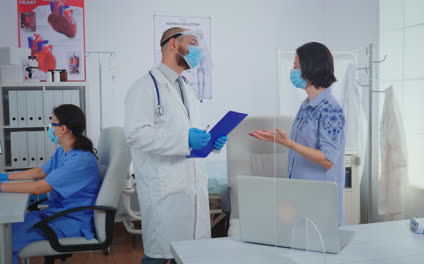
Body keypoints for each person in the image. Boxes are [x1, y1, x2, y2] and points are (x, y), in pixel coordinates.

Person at [124, 27, 228, 264]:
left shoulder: (187, 88)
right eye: (193, 43)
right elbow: (136, 135)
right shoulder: (144, 87)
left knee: (190, 255)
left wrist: (211, 142)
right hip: (165, 190)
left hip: (191, 186)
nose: (199, 51)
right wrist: (184, 140)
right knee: (159, 256)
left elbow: (190, 132)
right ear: (173, 44)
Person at [249, 42, 347, 225]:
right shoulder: (306, 106)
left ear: (311, 67)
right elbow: (303, 146)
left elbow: (328, 159)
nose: (292, 71)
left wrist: (290, 144)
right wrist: (280, 140)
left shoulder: (331, 110)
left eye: (295, 66)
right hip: (300, 194)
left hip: (321, 199)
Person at [0, 104, 101, 264]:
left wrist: (1, 187)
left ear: (63, 129)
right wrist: (4, 177)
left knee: (4, 241)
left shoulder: (81, 160)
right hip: (55, 215)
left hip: (70, 222)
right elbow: (40, 172)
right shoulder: (64, 151)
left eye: (52, 123)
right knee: (6, 230)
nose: (49, 127)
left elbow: (37, 188)